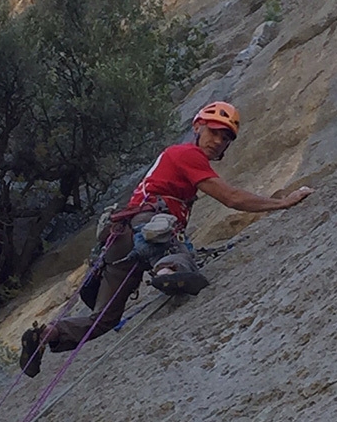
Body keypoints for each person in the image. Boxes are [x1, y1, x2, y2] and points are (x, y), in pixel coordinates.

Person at [20, 101, 313, 376]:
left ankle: (48, 333)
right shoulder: (188, 154)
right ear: (197, 126)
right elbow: (231, 198)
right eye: (214, 132)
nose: (218, 141)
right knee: (179, 254)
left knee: (104, 319)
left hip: (120, 237)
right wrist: (281, 203)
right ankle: (166, 269)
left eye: (226, 138)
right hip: (150, 227)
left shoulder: (170, 158)